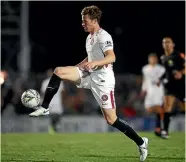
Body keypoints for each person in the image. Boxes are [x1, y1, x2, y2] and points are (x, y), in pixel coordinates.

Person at [29, 6, 148, 161]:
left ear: (94, 20)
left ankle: (141, 142)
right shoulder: (89, 37)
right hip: (88, 74)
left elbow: (112, 57)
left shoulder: (103, 36)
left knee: (112, 120)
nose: (82, 24)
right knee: (59, 71)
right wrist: (79, 66)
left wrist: (95, 63)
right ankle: (44, 107)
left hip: (103, 81)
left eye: (85, 21)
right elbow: (90, 57)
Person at [160, 37, 185, 139]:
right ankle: (165, 131)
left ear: (173, 44)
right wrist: (160, 79)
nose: (166, 44)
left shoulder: (178, 55)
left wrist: (181, 73)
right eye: (164, 42)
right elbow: (167, 72)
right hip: (169, 86)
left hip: (181, 86)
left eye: (168, 42)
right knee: (167, 107)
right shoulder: (163, 57)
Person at [141, 53, 165, 137]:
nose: (152, 60)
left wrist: (159, 80)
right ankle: (159, 124)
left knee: (159, 109)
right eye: (151, 59)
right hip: (149, 92)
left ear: (157, 59)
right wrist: (143, 89)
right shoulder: (145, 68)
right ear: (149, 59)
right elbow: (145, 79)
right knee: (148, 109)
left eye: (154, 59)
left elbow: (161, 79)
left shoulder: (161, 69)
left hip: (158, 91)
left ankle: (158, 128)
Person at [40, 69, 65, 133]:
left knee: (58, 115)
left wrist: (63, 101)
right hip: (50, 102)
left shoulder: (59, 82)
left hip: (58, 102)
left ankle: (54, 127)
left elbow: (62, 93)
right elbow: (43, 93)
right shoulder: (45, 82)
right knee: (52, 116)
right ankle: (52, 128)